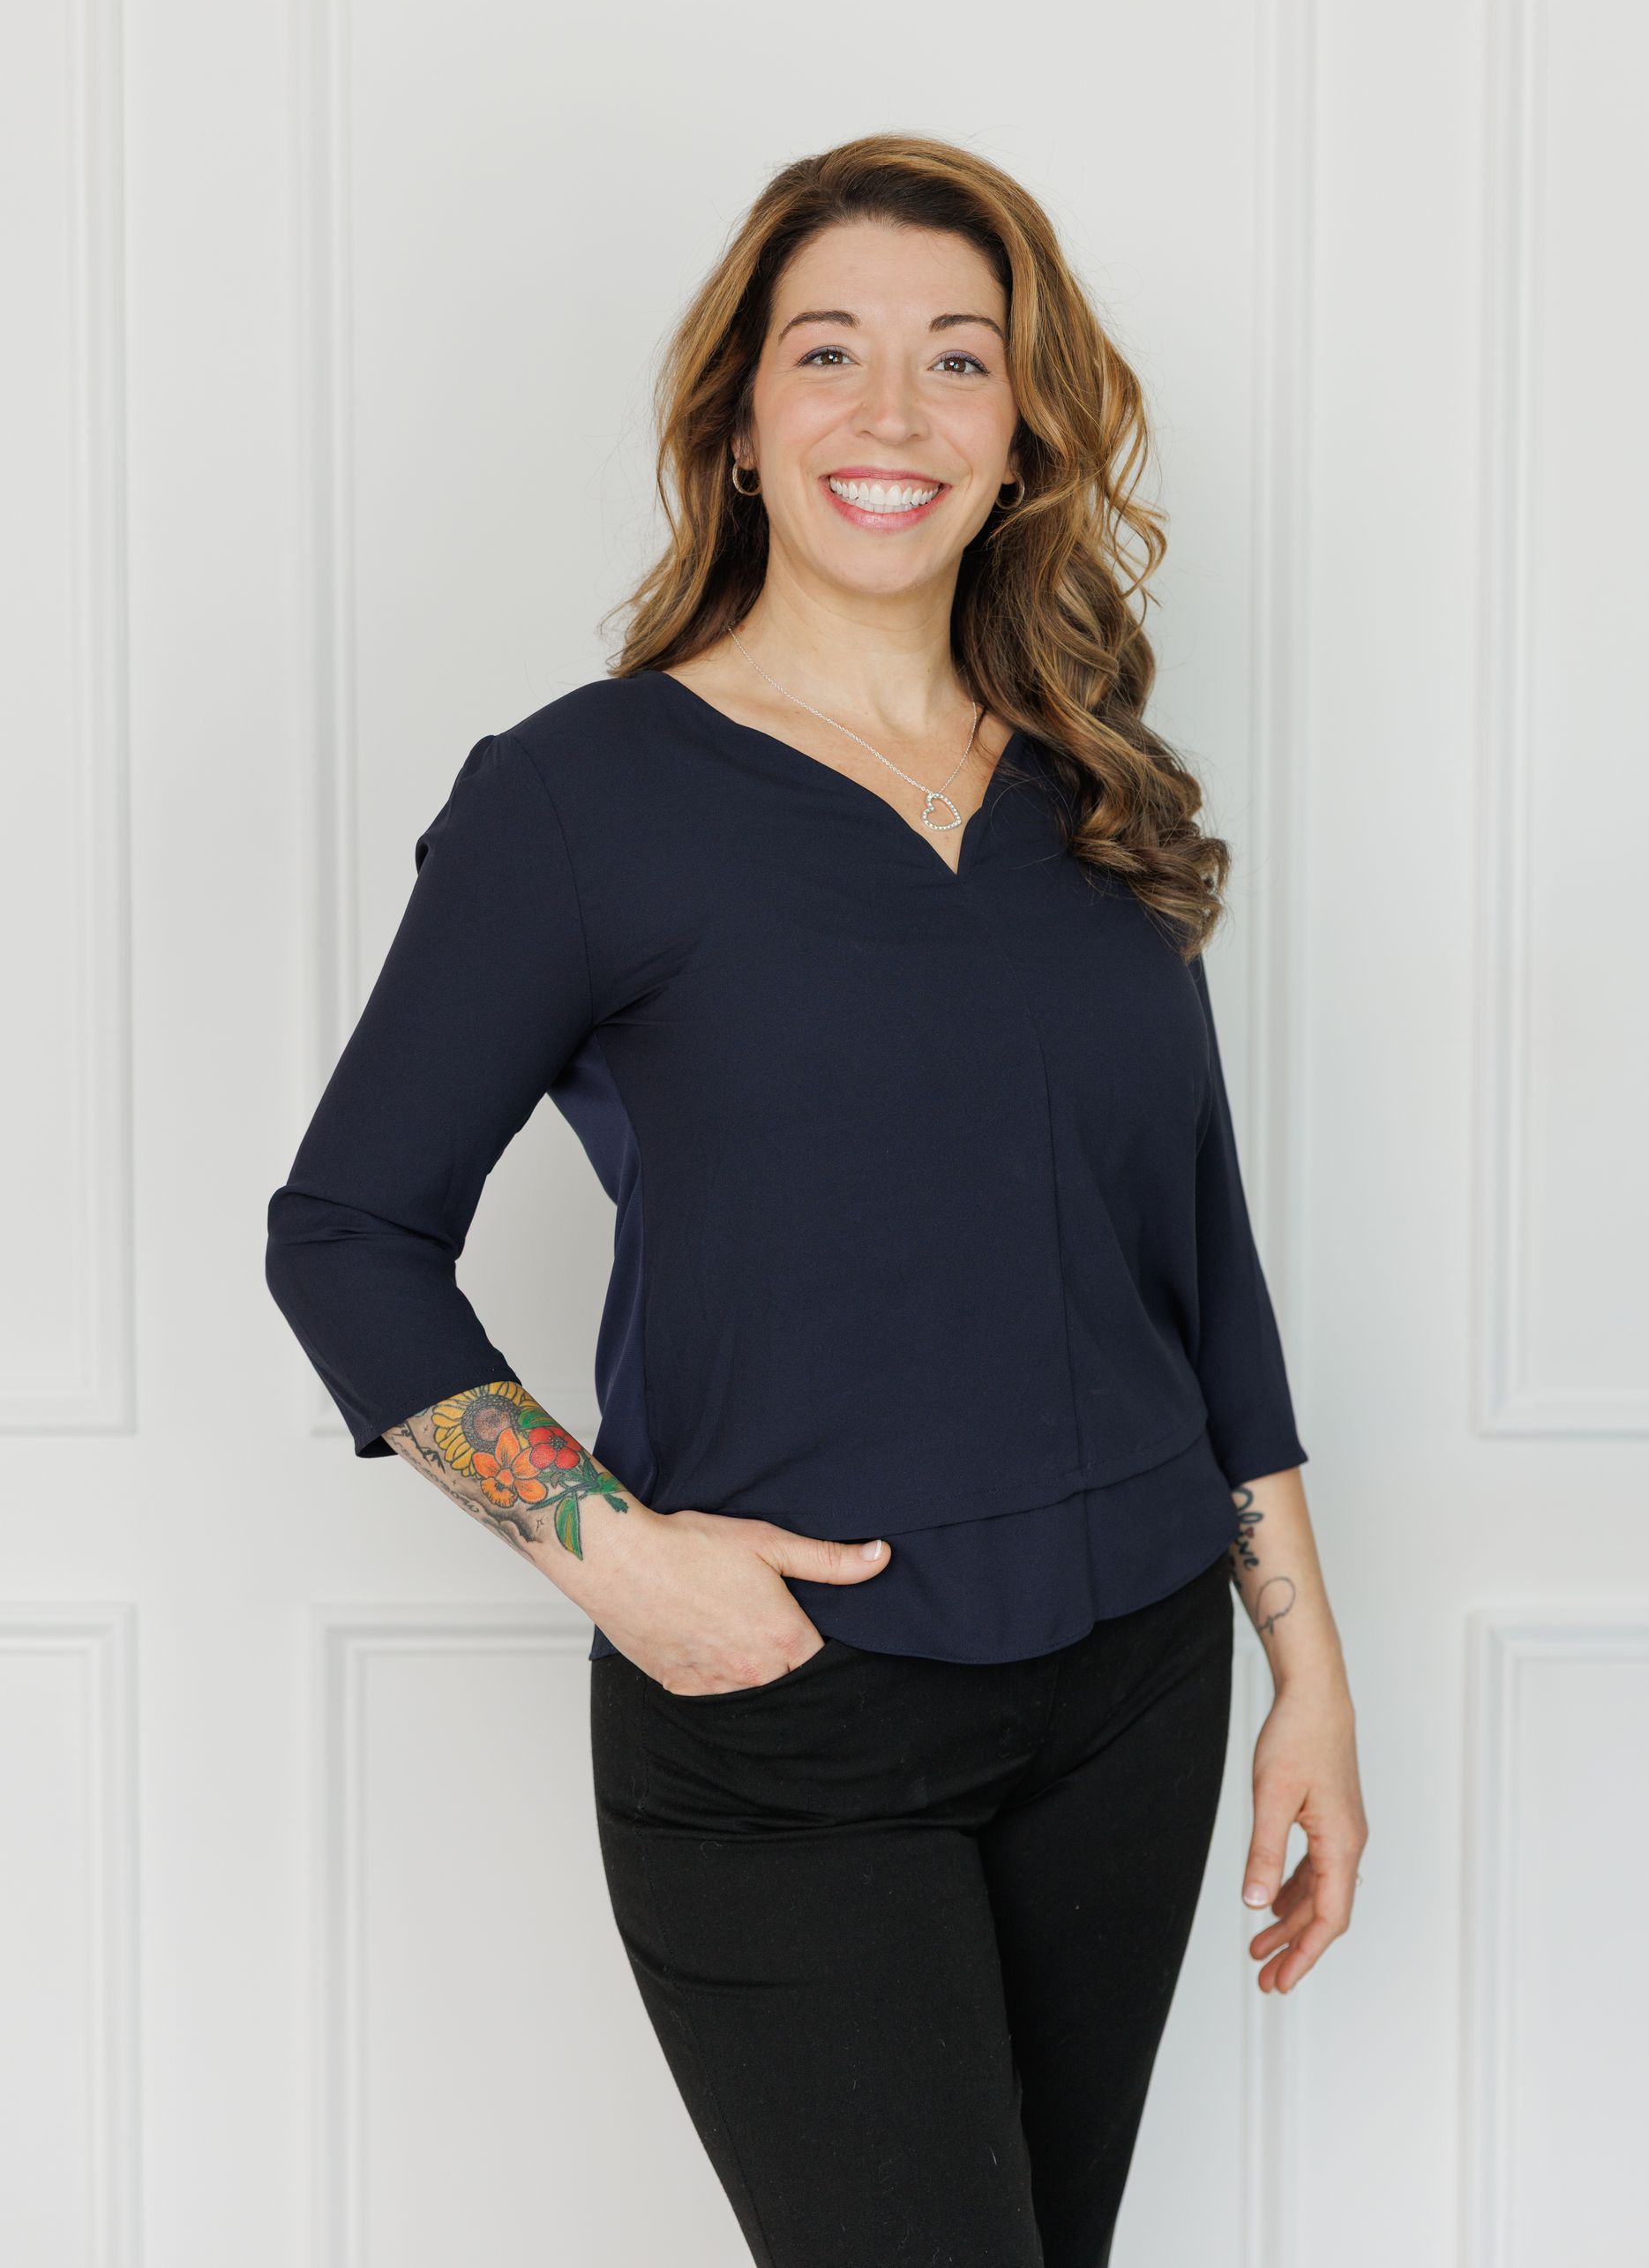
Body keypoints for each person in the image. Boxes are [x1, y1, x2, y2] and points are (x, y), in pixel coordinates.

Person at [266, 131, 1368, 2268]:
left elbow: (1195, 1252)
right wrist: (609, 1552)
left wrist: (1306, 1667)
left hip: (1136, 1683)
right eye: (829, 350)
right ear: (740, 421)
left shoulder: (1094, 782)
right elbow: (346, 1232)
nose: (894, 411)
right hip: (790, 1715)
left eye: (959, 358)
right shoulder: (579, 796)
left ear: (1021, 432)